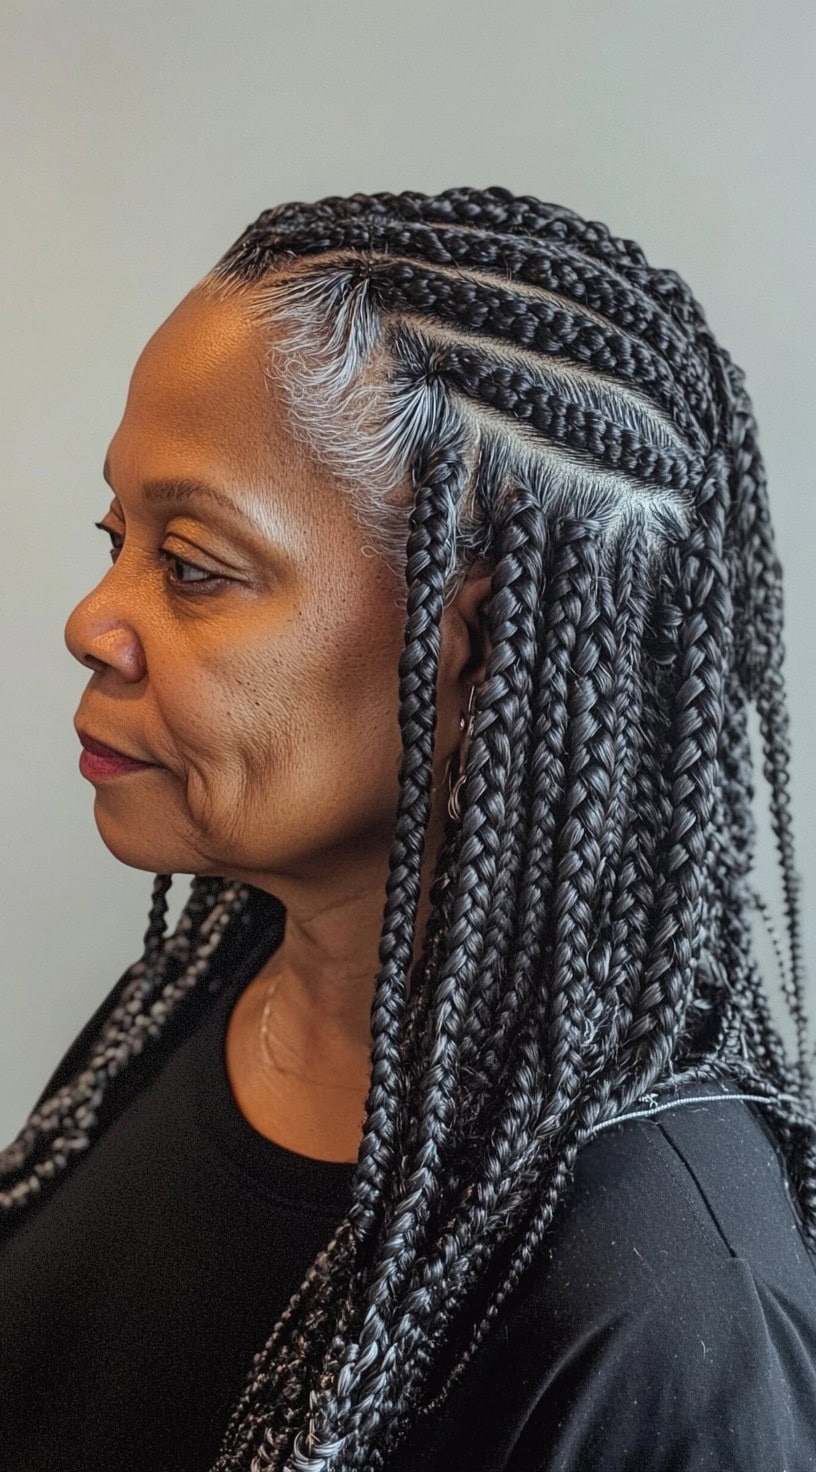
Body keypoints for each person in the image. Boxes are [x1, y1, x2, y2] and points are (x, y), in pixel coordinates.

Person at [1, 185, 815, 1472]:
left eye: (194, 565)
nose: (91, 620)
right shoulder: (205, 984)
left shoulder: (658, 1314)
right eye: (117, 536)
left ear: (483, 651)